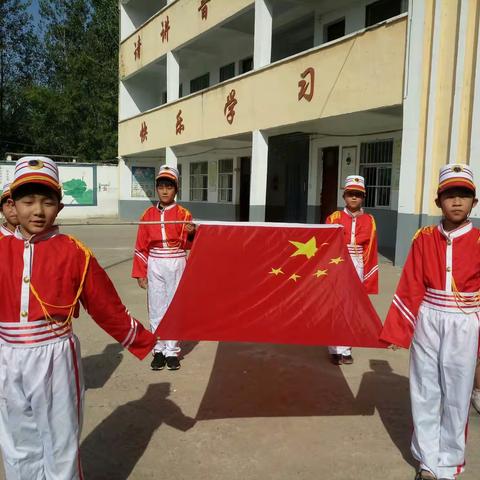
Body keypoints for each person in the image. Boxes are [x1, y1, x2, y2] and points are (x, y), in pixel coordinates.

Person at [0, 156, 157, 480]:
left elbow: (106, 306)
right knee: (17, 443)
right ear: (12, 204)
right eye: (28, 201)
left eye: (47, 201)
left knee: (61, 443)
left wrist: (144, 339)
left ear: (59, 206)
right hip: (6, 357)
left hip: (55, 357)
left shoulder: (74, 252)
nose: (38, 211)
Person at [380, 164, 479, 480]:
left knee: (458, 392)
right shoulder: (423, 239)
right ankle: (427, 462)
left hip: (465, 323)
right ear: (438, 202)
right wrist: (401, 329)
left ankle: (449, 462)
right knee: (424, 390)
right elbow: (410, 284)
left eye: (464, 195)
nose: (457, 202)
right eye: (450, 195)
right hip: (428, 319)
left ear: (474, 203)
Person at [132, 165, 195, 371]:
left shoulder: (184, 214)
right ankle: (158, 349)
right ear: (156, 189)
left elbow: (188, 244)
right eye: (161, 187)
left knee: (174, 307)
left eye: (169, 186)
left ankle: (172, 351)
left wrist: (192, 233)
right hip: (155, 263)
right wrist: (141, 272)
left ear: (176, 189)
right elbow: (141, 246)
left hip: (176, 262)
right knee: (157, 306)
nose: (165, 191)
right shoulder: (147, 215)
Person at [325, 175, 378, 365]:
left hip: (358, 264)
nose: (354, 198)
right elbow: (326, 246)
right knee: (335, 306)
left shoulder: (369, 220)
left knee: (351, 308)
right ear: (344, 197)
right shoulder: (333, 218)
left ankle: (346, 349)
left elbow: (371, 250)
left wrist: (368, 278)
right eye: (350, 194)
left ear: (363, 197)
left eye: (358, 194)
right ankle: (333, 349)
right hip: (337, 264)